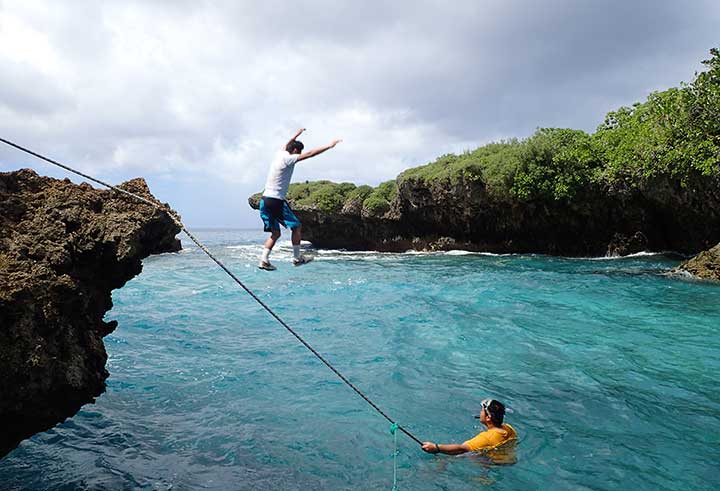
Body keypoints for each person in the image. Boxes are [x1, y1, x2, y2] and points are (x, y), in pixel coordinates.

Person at [258, 128, 342, 270]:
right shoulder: (288, 159)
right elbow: (310, 154)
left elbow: (287, 144)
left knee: (276, 233)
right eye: (299, 152)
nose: (300, 154)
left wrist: (297, 134)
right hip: (276, 200)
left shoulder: (280, 154)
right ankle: (297, 258)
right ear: (296, 150)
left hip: (264, 200)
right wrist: (330, 145)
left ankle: (264, 260)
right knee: (297, 227)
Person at [421, 398, 517, 458]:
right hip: (506, 458)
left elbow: (461, 448)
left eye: (482, 411)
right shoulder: (508, 428)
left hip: (491, 462)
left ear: (488, 418)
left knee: (452, 458)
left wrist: (436, 447)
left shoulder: (485, 438)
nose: (480, 413)